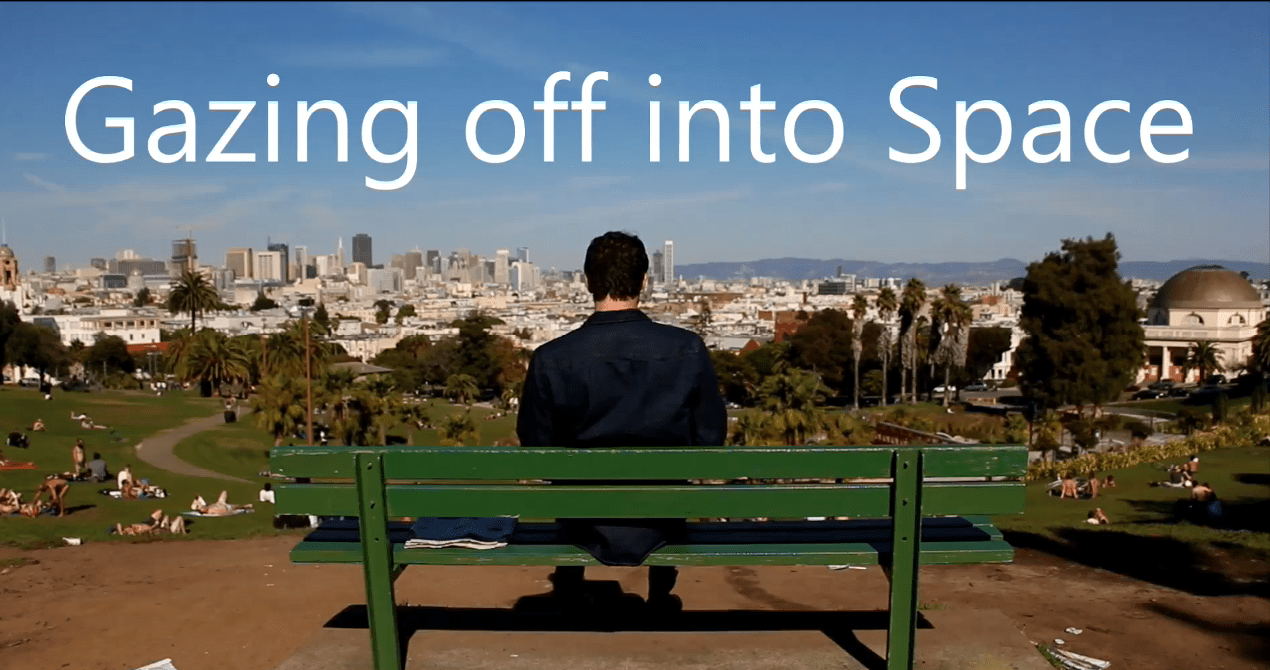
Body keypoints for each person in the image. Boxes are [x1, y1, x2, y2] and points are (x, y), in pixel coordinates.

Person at [517, 231, 728, 613]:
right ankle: (660, 595)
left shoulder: (551, 358)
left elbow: (536, 446)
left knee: (571, 494)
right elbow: (711, 438)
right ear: (644, 281)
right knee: (666, 493)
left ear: (587, 281)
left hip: (582, 519)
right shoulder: (687, 348)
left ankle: (571, 586)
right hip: (662, 516)